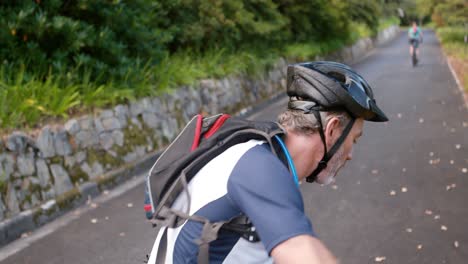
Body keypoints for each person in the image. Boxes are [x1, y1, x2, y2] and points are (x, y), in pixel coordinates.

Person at [147, 61, 388, 264]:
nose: (350, 155)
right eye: (354, 140)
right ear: (333, 129)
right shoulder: (259, 167)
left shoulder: (261, 153)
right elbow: (301, 251)